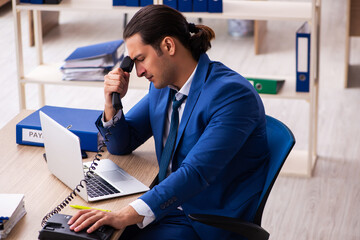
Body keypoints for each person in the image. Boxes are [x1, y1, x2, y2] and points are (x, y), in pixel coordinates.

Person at [68, 4, 270, 240]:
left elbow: (195, 173)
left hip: (203, 220)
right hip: (167, 205)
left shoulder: (232, 95)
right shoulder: (163, 88)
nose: (139, 72)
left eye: (140, 59)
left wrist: (125, 215)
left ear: (168, 45)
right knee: (80, 231)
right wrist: (111, 103)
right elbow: (122, 144)